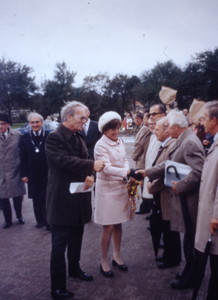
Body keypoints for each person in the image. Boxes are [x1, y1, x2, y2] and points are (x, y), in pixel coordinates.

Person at [136, 110, 205, 289]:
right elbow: (170, 163)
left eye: (167, 126)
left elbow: (198, 172)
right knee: (189, 241)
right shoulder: (184, 140)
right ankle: (189, 273)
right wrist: (149, 172)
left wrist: (179, 187)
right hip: (185, 199)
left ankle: (191, 278)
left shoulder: (189, 142)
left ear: (175, 127)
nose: (165, 129)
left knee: (191, 240)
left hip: (189, 200)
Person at [45, 101, 105, 300]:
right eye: (82, 118)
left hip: (79, 198)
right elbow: (64, 161)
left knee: (77, 238)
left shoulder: (78, 136)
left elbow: (85, 158)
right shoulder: (54, 138)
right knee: (59, 245)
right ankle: (57, 287)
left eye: (86, 118)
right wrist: (91, 165)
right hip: (62, 200)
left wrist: (90, 174)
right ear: (68, 117)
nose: (85, 121)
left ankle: (75, 269)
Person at [94, 111, 130, 278]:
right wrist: (127, 172)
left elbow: (124, 160)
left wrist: (127, 170)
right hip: (107, 190)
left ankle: (116, 255)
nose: (116, 132)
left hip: (120, 187)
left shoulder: (120, 141)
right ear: (104, 130)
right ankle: (103, 260)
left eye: (117, 128)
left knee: (118, 224)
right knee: (107, 226)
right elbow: (106, 168)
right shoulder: (100, 145)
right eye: (112, 129)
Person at [147, 117, 181, 268]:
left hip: (167, 193)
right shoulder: (165, 145)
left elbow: (166, 171)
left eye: (157, 129)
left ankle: (172, 259)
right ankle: (169, 255)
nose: (154, 132)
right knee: (166, 226)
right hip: (163, 193)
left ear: (166, 131)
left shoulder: (171, 145)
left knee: (169, 227)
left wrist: (152, 186)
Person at [194, 101, 218, 300]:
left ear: (214, 121)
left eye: (204, 118)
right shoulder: (214, 141)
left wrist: (216, 216)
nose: (202, 123)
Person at [20, 112, 50, 230]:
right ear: (29, 124)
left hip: (46, 172)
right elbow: (22, 157)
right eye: (32, 122)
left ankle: (48, 222)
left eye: (37, 122)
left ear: (42, 122)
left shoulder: (48, 135)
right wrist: (24, 174)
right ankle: (39, 220)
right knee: (36, 199)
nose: (35, 124)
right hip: (32, 173)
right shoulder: (25, 137)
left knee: (47, 198)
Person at [0, 112, 25, 229]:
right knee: (4, 198)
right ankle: (8, 220)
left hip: (15, 170)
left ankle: (19, 216)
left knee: (17, 196)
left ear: (8, 124)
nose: (0, 126)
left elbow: (23, 152)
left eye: (3, 124)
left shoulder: (17, 135)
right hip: (1, 172)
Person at [142, 104, 166, 216]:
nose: (151, 116)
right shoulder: (153, 133)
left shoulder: (165, 133)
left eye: (154, 114)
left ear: (163, 115)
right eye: (150, 114)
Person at [131, 111, 151, 214]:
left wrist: (134, 156)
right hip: (142, 158)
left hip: (142, 159)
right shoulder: (144, 128)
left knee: (143, 183)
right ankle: (146, 206)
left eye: (135, 119)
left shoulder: (145, 129)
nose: (133, 121)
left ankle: (145, 207)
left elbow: (139, 145)